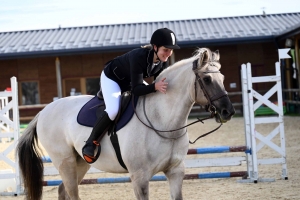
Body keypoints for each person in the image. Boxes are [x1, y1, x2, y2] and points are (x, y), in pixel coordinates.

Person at [82, 28, 180, 162]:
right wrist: (154, 87)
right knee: (113, 110)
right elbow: (137, 90)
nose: (168, 54)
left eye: (171, 50)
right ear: (155, 47)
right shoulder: (139, 57)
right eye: (166, 50)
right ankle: (90, 142)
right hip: (113, 78)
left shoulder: (162, 60)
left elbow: (157, 83)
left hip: (130, 80)